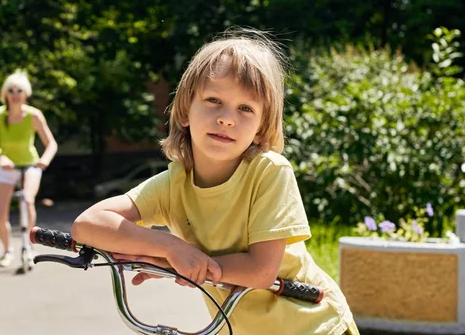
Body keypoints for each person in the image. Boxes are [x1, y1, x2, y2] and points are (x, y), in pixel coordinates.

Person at [70, 28, 359, 334]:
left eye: (245, 108)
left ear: (261, 128)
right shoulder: (174, 183)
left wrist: (181, 261)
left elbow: (260, 271)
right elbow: (87, 225)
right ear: (184, 111)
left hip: (312, 325)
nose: (226, 118)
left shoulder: (269, 171)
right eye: (213, 100)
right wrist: (169, 247)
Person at [0, 70, 58, 268]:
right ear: (5, 93)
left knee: (27, 200)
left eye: (19, 90)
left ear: (26, 93)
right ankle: (7, 250)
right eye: (11, 90)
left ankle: (28, 246)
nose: (15, 93)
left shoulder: (34, 115)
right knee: (0, 214)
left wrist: (44, 160)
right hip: (5, 167)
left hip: (30, 165)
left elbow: (51, 144)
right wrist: (1, 158)